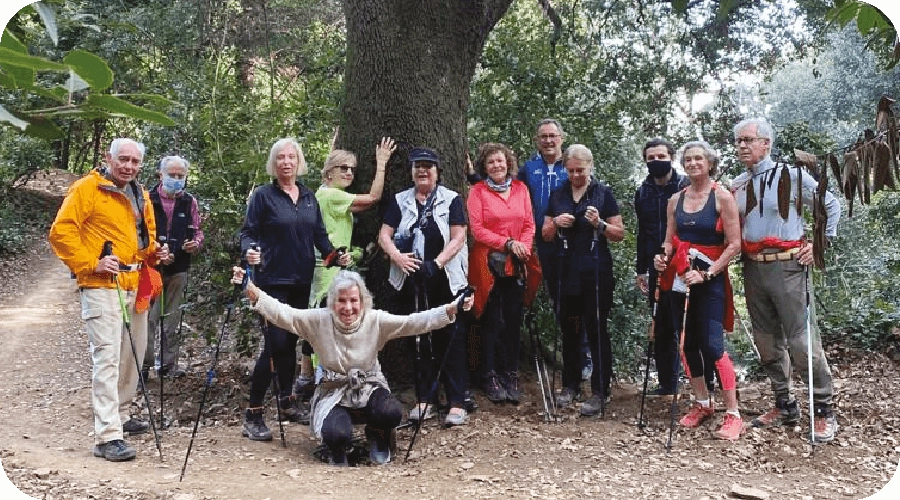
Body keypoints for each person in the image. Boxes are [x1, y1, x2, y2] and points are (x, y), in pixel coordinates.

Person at [231, 269, 474, 465]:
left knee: (391, 411)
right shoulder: (318, 320)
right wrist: (251, 289)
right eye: (342, 301)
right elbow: (285, 314)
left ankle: (379, 437)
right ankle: (337, 450)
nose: (348, 308)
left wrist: (451, 309)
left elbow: (413, 322)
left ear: (363, 301)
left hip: (369, 387)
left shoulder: (375, 319)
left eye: (354, 300)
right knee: (337, 434)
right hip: (333, 392)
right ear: (332, 302)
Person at [49, 138, 169, 462]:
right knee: (107, 357)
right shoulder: (88, 188)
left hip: (136, 283)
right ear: (108, 158)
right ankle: (107, 435)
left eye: (135, 161)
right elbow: (61, 232)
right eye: (123, 159)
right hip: (101, 284)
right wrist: (92, 263)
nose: (129, 166)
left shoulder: (140, 194)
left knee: (132, 355)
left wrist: (155, 253)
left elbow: (144, 242)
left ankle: (122, 414)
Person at [730, 117, 841, 443]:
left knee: (802, 341)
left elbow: (830, 204)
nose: (742, 146)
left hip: (789, 267)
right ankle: (785, 404)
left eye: (748, 140)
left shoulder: (791, 176)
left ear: (766, 143)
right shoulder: (738, 184)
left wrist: (819, 244)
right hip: (753, 268)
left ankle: (823, 409)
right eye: (738, 141)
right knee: (766, 341)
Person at [239, 137, 351, 441]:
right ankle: (253, 414)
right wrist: (250, 251)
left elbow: (320, 238)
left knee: (290, 344)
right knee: (274, 346)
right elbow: (248, 233)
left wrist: (335, 256)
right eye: (281, 157)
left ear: (299, 162)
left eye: (291, 157)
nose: (286, 162)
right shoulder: (263, 196)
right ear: (273, 163)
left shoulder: (309, 196)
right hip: (270, 282)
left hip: (301, 281)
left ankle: (287, 401)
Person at [653, 141, 743, 440]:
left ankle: (733, 414)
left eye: (698, 159)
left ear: (709, 163)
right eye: (688, 159)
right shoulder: (675, 200)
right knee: (686, 344)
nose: (692, 164)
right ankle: (702, 403)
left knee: (713, 346)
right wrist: (662, 256)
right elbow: (669, 240)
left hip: (709, 279)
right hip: (681, 277)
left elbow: (734, 244)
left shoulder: (722, 197)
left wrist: (708, 273)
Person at [295, 137, 396, 402]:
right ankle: (321, 387)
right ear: (329, 172)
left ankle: (304, 379)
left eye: (352, 169)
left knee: (317, 323)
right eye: (343, 168)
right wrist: (382, 162)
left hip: (330, 266)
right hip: (327, 272)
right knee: (327, 327)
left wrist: (356, 253)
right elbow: (373, 198)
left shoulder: (322, 193)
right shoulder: (331, 195)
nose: (349, 173)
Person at [377, 147, 470, 426]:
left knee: (449, 338)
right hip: (411, 279)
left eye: (428, 166)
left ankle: (456, 401)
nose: (422, 171)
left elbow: (459, 236)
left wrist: (437, 264)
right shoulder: (400, 200)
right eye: (418, 166)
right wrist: (398, 257)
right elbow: (384, 235)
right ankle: (425, 398)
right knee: (418, 338)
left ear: (437, 171)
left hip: (444, 279)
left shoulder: (451, 199)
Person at [542, 144, 624, 416]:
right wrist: (556, 223)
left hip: (596, 270)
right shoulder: (558, 194)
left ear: (590, 167)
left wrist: (600, 224)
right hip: (565, 270)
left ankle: (600, 390)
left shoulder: (603, 193)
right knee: (570, 329)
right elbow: (545, 233)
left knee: (596, 329)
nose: (576, 175)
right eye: (571, 171)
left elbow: (619, 233)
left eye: (581, 170)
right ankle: (571, 384)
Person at [517, 119, 593, 381]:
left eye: (553, 136)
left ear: (561, 137)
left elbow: (592, 194)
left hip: (576, 243)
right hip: (545, 243)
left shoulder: (573, 163)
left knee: (579, 299)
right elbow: (511, 192)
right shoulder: (529, 168)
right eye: (543, 137)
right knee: (559, 299)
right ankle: (572, 356)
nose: (548, 141)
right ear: (537, 140)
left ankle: (586, 357)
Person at [467, 142, 541, 405]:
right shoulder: (477, 191)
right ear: (484, 167)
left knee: (512, 319)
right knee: (490, 320)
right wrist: (507, 243)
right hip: (487, 264)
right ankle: (488, 375)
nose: (496, 165)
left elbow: (529, 224)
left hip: (517, 263)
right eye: (491, 162)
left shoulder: (521, 189)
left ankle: (511, 374)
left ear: (508, 163)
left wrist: (523, 246)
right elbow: (477, 230)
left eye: (500, 161)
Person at [634, 138, 689, 397]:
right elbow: (642, 233)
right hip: (656, 265)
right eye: (651, 158)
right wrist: (641, 269)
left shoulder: (685, 186)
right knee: (662, 323)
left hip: (686, 263)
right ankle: (668, 383)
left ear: (671, 157)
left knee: (690, 322)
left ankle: (706, 382)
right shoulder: (643, 192)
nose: (656, 162)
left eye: (661, 157)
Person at [144, 155, 204, 380]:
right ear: (161, 175)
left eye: (181, 176)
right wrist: (156, 253)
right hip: (151, 269)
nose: (176, 179)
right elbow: (138, 231)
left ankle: (168, 366)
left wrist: (195, 243)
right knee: (148, 320)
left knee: (172, 320)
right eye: (172, 175)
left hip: (179, 268)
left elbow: (197, 231)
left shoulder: (189, 202)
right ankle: (144, 366)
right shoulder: (147, 199)